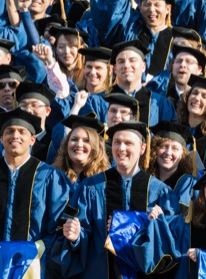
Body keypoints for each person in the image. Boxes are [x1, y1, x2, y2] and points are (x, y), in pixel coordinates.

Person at [52, 120, 178, 278]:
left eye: (128, 143)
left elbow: (169, 241)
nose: (121, 148)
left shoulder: (160, 192)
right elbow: (81, 232)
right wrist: (75, 237)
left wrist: (156, 223)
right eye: (117, 142)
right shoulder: (90, 186)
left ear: (142, 148)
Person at [133, 165, 206, 278]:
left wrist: (205, 258)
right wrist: (155, 221)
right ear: (203, 190)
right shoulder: (182, 223)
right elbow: (164, 250)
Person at [0, 108, 71, 256]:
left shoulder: (50, 177)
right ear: (1, 139)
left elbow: (59, 225)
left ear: (32, 140)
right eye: (9, 131)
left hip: (34, 263)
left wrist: (38, 251)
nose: (15, 136)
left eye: (22, 132)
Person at [109, 40, 177, 125]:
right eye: (121, 61)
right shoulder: (100, 101)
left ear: (143, 67)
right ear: (115, 69)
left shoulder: (161, 104)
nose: (126, 66)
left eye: (132, 60)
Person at [148, 121, 198, 213]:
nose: (168, 152)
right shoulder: (146, 179)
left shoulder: (187, 183)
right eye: (163, 146)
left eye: (175, 148)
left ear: (183, 155)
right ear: (155, 150)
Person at [52, 115, 110, 190]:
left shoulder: (105, 180)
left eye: (86, 140)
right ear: (67, 144)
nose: (79, 144)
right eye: (74, 139)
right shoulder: (53, 175)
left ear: (96, 147)